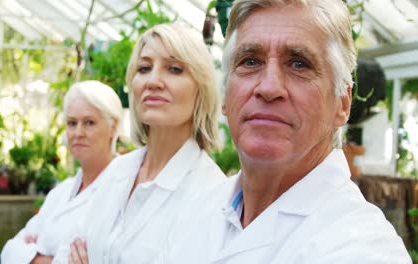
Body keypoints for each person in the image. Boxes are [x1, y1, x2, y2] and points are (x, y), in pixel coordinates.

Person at [161, 0, 412, 263]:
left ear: (342, 103)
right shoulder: (196, 210)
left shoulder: (363, 248)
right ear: (226, 96)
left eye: (299, 64)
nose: (269, 87)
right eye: (250, 61)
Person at [53, 23, 226, 264]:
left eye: (174, 69)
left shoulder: (211, 194)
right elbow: (65, 252)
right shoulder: (117, 171)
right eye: (144, 68)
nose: (153, 81)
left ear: (202, 88)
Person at [1, 80, 123, 264]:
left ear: (113, 127)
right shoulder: (61, 192)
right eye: (72, 123)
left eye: (89, 123)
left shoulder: (124, 188)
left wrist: (31, 255)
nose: (78, 133)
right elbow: (9, 252)